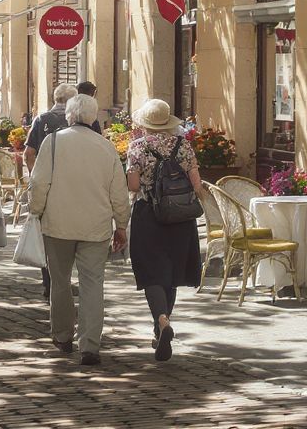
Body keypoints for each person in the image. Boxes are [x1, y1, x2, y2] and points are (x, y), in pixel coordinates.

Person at [27, 94, 129, 366]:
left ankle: (62, 336)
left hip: (58, 224)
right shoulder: (105, 147)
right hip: (95, 226)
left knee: (59, 282)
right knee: (93, 283)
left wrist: (35, 212)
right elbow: (118, 192)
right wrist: (121, 225)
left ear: (69, 116)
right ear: (94, 117)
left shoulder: (54, 142)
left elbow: (39, 184)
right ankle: (90, 345)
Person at [125, 99, 205, 362]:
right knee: (171, 273)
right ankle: (164, 323)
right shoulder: (184, 146)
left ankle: (160, 321)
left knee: (152, 273)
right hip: (180, 217)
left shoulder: (138, 147)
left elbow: (134, 185)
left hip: (148, 215)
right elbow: (196, 184)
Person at [24, 83, 77, 299]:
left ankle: (50, 280)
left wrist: (35, 175)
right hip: (73, 184)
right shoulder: (79, 120)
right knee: (72, 230)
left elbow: (29, 153)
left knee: (47, 233)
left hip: (47, 184)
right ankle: (63, 278)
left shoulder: (41, 119)